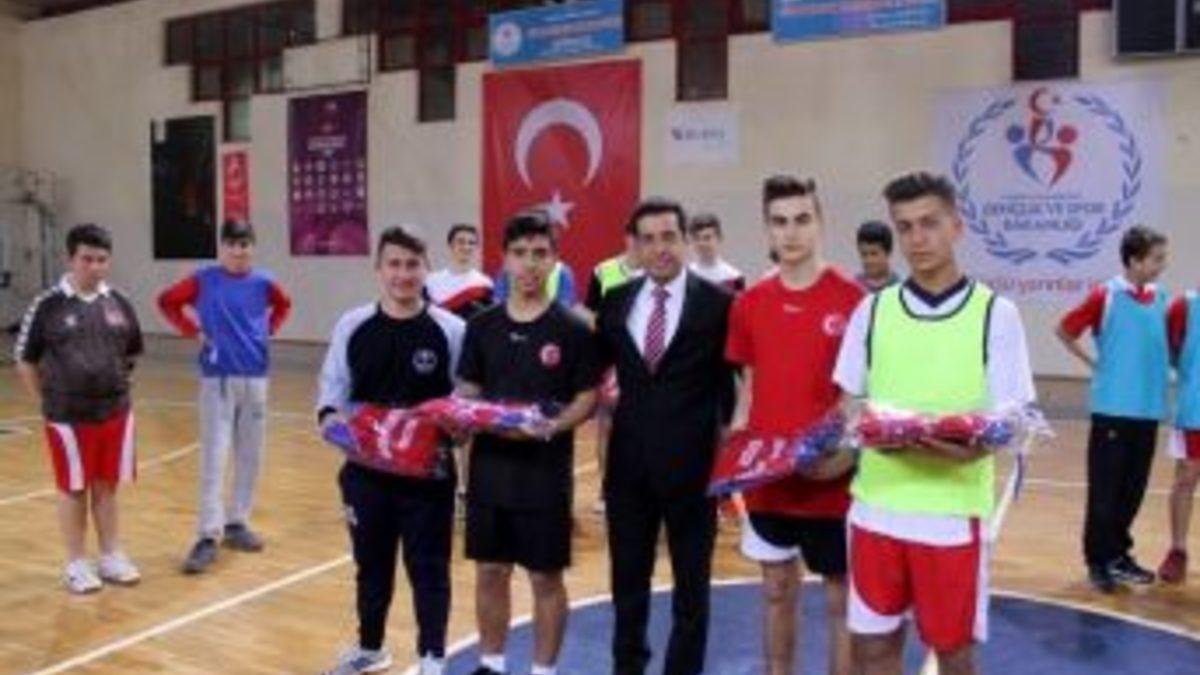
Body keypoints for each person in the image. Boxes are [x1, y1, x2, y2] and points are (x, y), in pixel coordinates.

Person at [834, 173, 1035, 675]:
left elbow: (1011, 420)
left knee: (955, 656)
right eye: (905, 227)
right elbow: (848, 404)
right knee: (872, 651)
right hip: (876, 510)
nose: (917, 238)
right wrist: (859, 433)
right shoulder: (871, 310)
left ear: (957, 227)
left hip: (951, 518)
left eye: (929, 223)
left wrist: (973, 446)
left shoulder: (996, 314)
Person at [727, 176, 862, 675]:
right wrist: (737, 455)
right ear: (767, 229)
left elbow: (859, 396)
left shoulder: (853, 299)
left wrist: (843, 456)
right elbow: (749, 387)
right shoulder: (749, 303)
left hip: (832, 478)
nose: (791, 232)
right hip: (770, 481)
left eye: (802, 219)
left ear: (820, 222)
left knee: (840, 597)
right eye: (780, 222)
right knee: (777, 589)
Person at [595, 197, 736, 675]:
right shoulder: (615, 302)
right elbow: (590, 372)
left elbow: (736, 389)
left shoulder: (719, 305)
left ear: (685, 240)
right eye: (649, 239)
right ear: (635, 246)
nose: (660, 249)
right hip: (628, 471)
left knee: (691, 590)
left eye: (669, 237)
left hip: (694, 473)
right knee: (627, 585)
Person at [316, 227, 465, 675]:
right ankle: (371, 647)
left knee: (429, 569)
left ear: (426, 269)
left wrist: (456, 428)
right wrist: (334, 425)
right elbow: (331, 395)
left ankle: (432, 657)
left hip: (429, 478)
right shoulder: (352, 325)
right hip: (366, 478)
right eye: (394, 264)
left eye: (412, 265)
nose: (403, 274)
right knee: (371, 565)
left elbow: (463, 403)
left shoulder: (451, 330)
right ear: (378, 269)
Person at [457, 211, 600, 675]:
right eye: (520, 253)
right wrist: (464, 415)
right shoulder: (481, 326)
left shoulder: (574, 329)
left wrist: (549, 426)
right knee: (490, 571)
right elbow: (468, 389)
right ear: (504, 260)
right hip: (489, 471)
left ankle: (543, 670)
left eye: (540, 253)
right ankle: (491, 664)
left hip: (545, 474)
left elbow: (587, 398)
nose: (530, 264)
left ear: (555, 260)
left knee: (545, 578)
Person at [15, 223, 144, 594]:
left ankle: (111, 556)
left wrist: (116, 383)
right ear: (71, 258)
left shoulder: (119, 302)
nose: (95, 267)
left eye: (102, 260)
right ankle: (76, 564)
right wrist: (46, 403)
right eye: (87, 259)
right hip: (67, 417)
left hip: (115, 412)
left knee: (107, 487)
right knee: (73, 489)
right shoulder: (47, 305)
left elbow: (132, 352)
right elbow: (25, 360)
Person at [158, 220, 292, 574]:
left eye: (244, 244)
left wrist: (269, 330)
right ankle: (207, 535)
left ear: (253, 247)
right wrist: (193, 331)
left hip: (256, 377)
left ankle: (237, 523)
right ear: (222, 247)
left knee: (250, 455)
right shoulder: (203, 280)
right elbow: (167, 302)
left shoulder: (265, 282)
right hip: (217, 378)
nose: (238, 251)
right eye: (231, 244)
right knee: (214, 457)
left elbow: (284, 305)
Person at [1057, 225, 1169, 592]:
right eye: (1156, 259)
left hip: (1148, 410)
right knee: (1105, 492)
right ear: (1134, 260)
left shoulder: (1160, 296)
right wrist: (1093, 363)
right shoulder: (1105, 295)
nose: (1161, 265)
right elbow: (1064, 330)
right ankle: (1098, 560)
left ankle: (1119, 555)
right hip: (1113, 411)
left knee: (1132, 491)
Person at [583, 233, 643, 515]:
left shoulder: (657, 270)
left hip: (646, 361)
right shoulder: (603, 270)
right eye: (635, 236)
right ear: (627, 237)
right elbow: (589, 314)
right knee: (606, 425)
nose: (638, 242)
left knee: (644, 427)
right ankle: (607, 490)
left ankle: (640, 488)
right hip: (611, 358)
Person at [1160, 288, 1200, 583]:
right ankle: (1178, 550)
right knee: (1186, 477)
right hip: (1194, 408)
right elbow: (1171, 353)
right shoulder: (1184, 306)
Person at [427, 223, 494, 321]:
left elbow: (487, 320)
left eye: (471, 243)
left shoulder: (484, 283)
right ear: (450, 245)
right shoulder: (431, 281)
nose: (466, 247)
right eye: (461, 242)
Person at [687, 213, 745, 292]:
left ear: (719, 238)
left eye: (707, 238)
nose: (702, 243)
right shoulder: (685, 277)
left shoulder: (734, 277)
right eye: (697, 238)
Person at [855, 220, 900, 292]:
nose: (868, 260)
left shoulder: (901, 289)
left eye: (874, 254)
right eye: (864, 254)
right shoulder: (854, 287)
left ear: (888, 252)